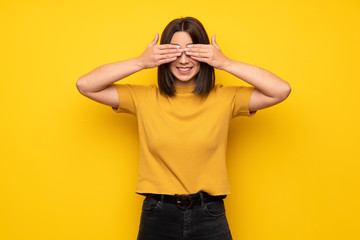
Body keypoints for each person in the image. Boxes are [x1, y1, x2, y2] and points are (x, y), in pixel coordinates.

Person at [76, 17, 291, 240]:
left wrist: (225, 63)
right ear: (163, 56)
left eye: (192, 51)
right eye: (175, 51)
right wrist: (140, 62)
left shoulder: (226, 98)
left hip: (209, 214)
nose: (183, 60)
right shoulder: (144, 97)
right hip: (158, 214)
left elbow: (280, 90)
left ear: (205, 55)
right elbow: (85, 85)